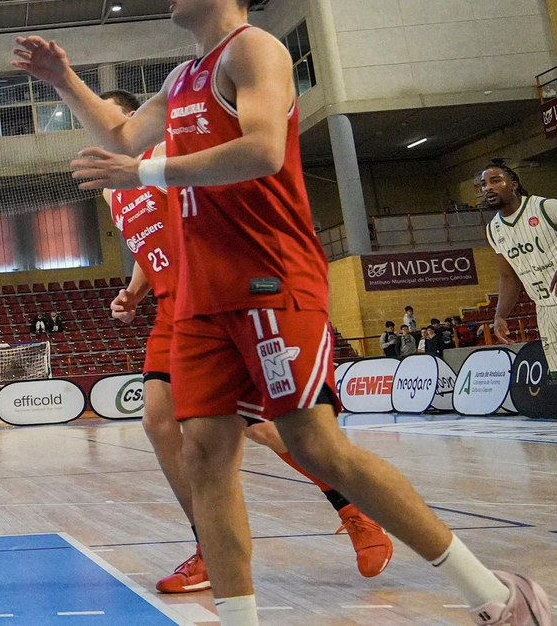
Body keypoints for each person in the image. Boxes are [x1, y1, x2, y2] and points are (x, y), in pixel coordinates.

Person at [13, 0, 550, 626]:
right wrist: (63, 80)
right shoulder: (181, 79)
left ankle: (495, 596)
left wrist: (146, 172)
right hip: (204, 295)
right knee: (202, 451)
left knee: (315, 442)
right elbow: (120, 135)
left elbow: (264, 149)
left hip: (268, 277)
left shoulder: (254, 50)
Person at [97, 89, 389, 595]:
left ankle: (353, 507)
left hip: (217, 300)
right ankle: (208, 547)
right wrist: (133, 291)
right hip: (171, 307)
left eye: (108, 117)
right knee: (157, 420)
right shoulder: (111, 190)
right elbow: (150, 242)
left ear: (134, 118)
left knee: (270, 428)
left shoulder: (163, 155)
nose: (97, 127)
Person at [479, 159, 557, 496]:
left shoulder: (547, 208)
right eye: (484, 184)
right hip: (545, 309)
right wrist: (501, 314)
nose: (488, 187)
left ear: (514, 183)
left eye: (495, 180)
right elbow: (508, 277)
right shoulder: (495, 230)